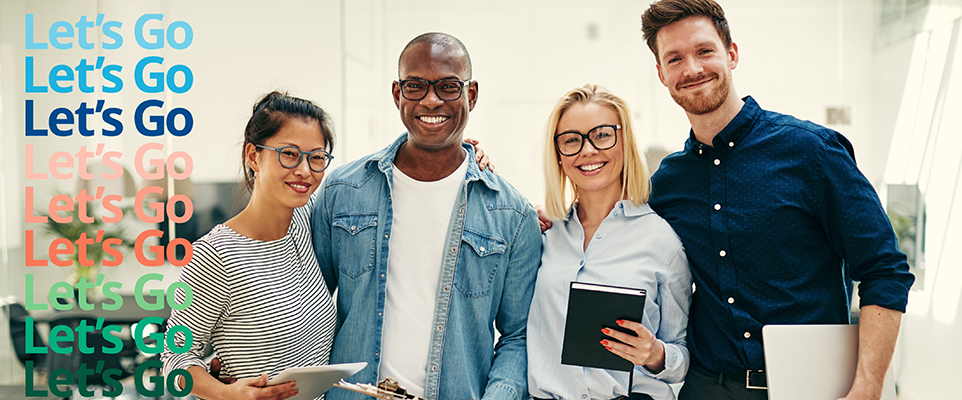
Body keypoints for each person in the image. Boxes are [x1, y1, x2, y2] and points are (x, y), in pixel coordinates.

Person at [636, 1, 916, 399]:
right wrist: (554, 219)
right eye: (675, 59)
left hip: (813, 387)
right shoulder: (668, 183)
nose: (692, 69)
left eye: (704, 51)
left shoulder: (813, 153)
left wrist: (868, 385)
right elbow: (621, 233)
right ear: (662, 73)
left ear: (731, 54)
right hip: (708, 388)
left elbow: (883, 268)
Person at [311, 32, 541, 400]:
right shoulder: (342, 191)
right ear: (397, 94)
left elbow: (520, 335)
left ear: (472, 94)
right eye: (415, 85)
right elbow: (306, 303)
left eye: (448, 86)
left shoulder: (512, 215)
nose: (431, 99)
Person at [161, 91, 338, 400]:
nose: (305, 171)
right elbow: (175, 360)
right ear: (254, 156)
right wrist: (228, 394)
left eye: (317, 157)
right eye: (290, 154)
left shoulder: (307, 222)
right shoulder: (216, 255)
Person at [527, 85, 692, 400]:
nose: (587, 150)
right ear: (558, 154)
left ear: (625, 142)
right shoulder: (543, 232)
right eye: (571, 140)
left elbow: (682, 356)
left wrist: (654, 353)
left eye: (602, 135)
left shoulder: (661, 241)